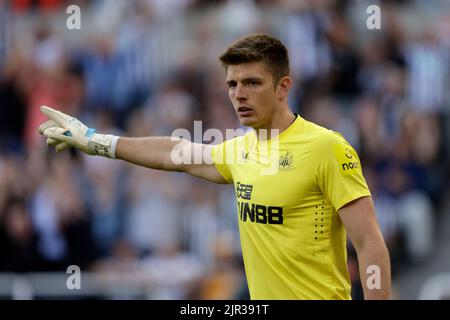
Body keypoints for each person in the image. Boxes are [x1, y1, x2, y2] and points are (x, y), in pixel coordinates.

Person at [38, 33, 391, 300]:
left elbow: (370, 244)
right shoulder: (241, 151)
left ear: (284, 87)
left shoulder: (326, 147)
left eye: (252, 83)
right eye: (232, 84)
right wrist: (97, 141)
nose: (239, 94)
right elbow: (173, 152)